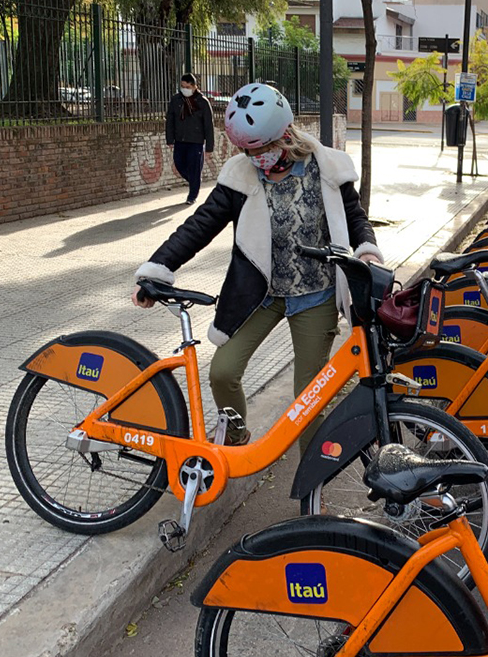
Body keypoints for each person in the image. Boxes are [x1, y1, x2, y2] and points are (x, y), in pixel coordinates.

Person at [134, 82, 382, 451]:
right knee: (222, 372)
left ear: (283, 134)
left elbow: (354, 217)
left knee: (308, 400)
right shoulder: (240, 175)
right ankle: (236, 439)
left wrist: (368, 251)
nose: (255, 157)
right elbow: (200, 225)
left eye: (260, 148)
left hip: (316, 294)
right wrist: (158, 267)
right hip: (261, 293)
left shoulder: (326, 168)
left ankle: (312, 490)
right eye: (246, 151)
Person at [166, 73, 215, 205]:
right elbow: (170, 120)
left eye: (187, 86)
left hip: (196, 141)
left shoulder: (202, 102)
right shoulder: (176, 100)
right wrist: (170, 139)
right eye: (182, 86)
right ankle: (195, 180)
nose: (184, 89)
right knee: (179, 164)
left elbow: (208, 125)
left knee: (194, 168)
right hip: (180, 140)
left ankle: (192, 195)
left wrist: (209, 147)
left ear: (194, 86)